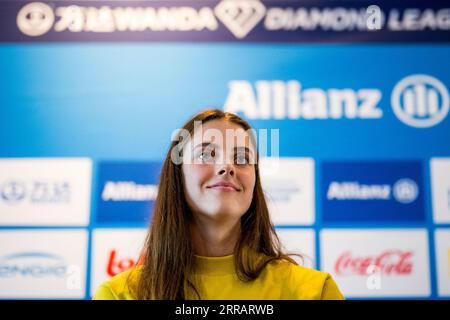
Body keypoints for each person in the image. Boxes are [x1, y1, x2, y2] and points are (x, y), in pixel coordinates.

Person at [93, 109, 344, 300]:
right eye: (206, 154)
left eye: (242, 158)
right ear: (177, 176)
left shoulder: (314, 292)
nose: (227, 167)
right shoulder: (119, 294)